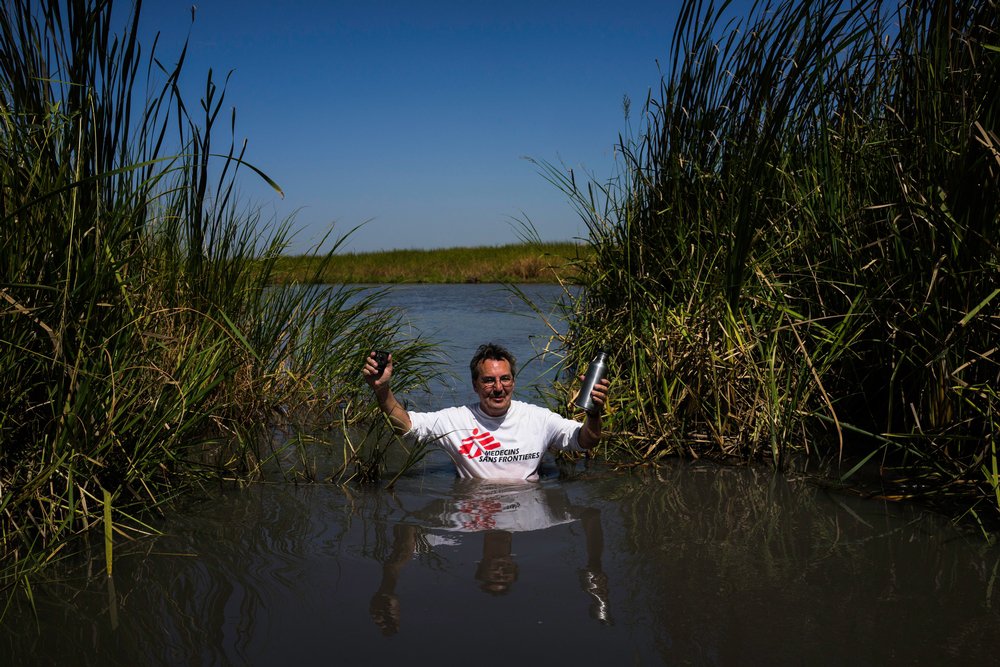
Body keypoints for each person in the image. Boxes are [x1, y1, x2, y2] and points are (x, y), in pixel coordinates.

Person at [362, 342, 610, 481]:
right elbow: (405, 427)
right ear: (475, 385)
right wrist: (382, 390)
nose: (499, 388)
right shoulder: (456, 420)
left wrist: (594, 414)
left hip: (530, 500)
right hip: (474, 504)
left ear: (514, 381)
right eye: (489, 380)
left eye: (505, 379)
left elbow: (585, 440)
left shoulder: (538, 418)